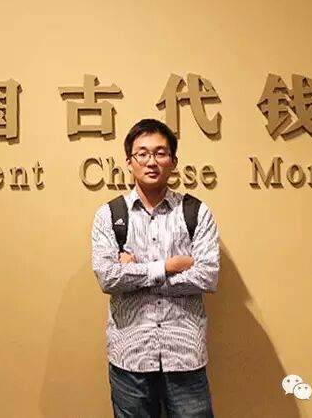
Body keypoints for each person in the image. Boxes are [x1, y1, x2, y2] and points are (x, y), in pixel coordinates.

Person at [91, 118, 220, 417]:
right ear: (129, 161)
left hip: (185, 355)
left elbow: (207, 276)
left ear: (173, 161)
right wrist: (169, 266)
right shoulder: (109, 215)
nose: (152, 161)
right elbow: (108, 278)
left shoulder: (196, 212)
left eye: (161, 153)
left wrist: (136, 272)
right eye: (143, 153)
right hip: (130, 355)